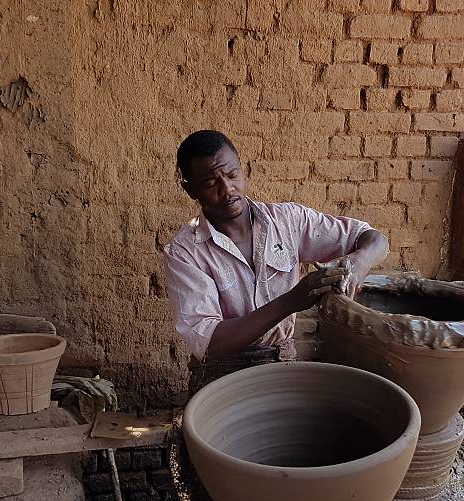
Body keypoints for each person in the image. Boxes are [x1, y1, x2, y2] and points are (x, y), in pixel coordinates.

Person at [163, 130, 390, 393]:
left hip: (281, 358)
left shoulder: (287, 221)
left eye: (232, 174)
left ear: (242, 168)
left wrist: (359, 263)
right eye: (211, 183)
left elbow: (372, 238)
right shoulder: (185, 251)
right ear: (190, 189)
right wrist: (292, 301)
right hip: (219, 373)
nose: (227, 190)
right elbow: (210, 341)